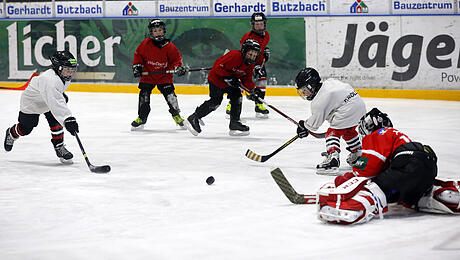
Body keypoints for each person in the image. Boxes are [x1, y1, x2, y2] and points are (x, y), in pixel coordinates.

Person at [317, 108, 460, 225]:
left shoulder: (378, 134)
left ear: (368, 126)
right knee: (406, 195)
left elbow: (368, 170)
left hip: (408, 164)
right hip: (428, 166)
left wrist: (345, 179)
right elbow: (402, 171)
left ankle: (355, 208)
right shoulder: (396, 135)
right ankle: (439, 195)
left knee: (376, 188)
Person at [3, 50, 80, 164]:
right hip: (32, 102)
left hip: (47, 98)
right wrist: (68, 119)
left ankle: (59, 146)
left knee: (56, 119)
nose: (70, 73)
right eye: (67, 69)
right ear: (58, 68)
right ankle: (11, 133)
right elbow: (55, 102)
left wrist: (61, 100)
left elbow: (55, 98)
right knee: (26, 128)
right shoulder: (50, 80)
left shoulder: (62, 76)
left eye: (72, 70)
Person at [295, 67, 366, 175]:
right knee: (348, 131)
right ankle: (358, 154)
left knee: (332, 133)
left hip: (348, 110)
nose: (304, 93)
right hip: (360, 107)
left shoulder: (318, 101)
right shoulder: (329, 82)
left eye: (304, 90)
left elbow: (315, 124)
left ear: (312, 86)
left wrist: (304, 126)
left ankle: (333, 159)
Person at [184, 39, 262, 136]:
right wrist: (227, 76)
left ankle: (234, 123)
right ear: (244, 51)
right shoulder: (235, 55)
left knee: (237, 96)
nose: (252, 58)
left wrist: (252, 91)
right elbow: (217, 66)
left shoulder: (250, 65)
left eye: (254, 56)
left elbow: (246, 79)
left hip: (230, 83)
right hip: (217, 80)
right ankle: (194, 117)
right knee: (215, 101)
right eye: (250, 54)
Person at [131, 19, 187, 131]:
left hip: (164, 76)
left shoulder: (169, 46)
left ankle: (176, 115)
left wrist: (178, 67)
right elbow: (138, 56)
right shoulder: (145, 44)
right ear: (151, 32)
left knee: (171, 97)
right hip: (148, 76)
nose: (158, 32)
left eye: (160, 30)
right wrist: (137, 66)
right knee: (144, 97)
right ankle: (142, 117)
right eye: (155, 30)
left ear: (164, 31)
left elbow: (176, 59)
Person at [226, 12, 271, 119]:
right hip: (247, 64)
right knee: (241, 83)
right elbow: (244, 53)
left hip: (259, 64)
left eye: (261, 24)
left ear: (264, 24)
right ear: (253, 25)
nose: (259, 26)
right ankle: (232, 104)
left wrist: (265, 52)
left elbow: (262, 47)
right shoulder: (248, 37)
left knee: (262, 80)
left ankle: (259, 104)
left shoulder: (266, 35)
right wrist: (252, 65)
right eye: (257, 24)